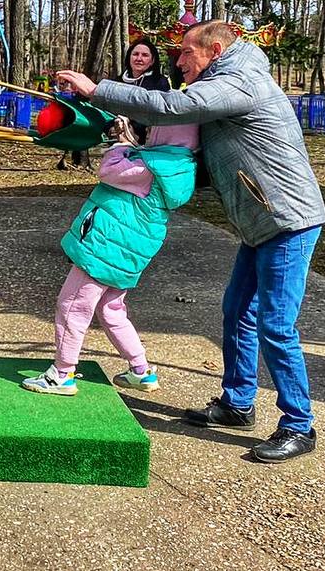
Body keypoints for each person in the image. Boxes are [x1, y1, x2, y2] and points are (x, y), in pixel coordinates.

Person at [56, 20, 325, 464]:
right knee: (237, 311)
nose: (178, 61)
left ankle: (299, 424)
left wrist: (95, 90)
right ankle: (237, 404)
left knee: (276, 325)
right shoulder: (227, 81)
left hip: (286, 220)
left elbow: (167, 107)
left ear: (215, 50)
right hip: (258, 222)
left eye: (186, 53)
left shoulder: (238, 81)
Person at [22, 117, 199, 397]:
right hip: (129, 252)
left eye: (154, 128)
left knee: (72, 305)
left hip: (106, 248)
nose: (149, 132)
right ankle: (140, 370)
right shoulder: (178, 166)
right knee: (111, 308)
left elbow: (108, 170)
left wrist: (122, 144)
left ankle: (62, 373)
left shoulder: (149, 166)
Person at [113, 37, 170, 144]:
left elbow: (158, 112)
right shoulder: (118, 81)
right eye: (135, 54)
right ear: (129, 57)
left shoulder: (160, 82)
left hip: (148, 139)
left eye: (145, 55)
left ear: (152, 61)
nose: (139, 59)